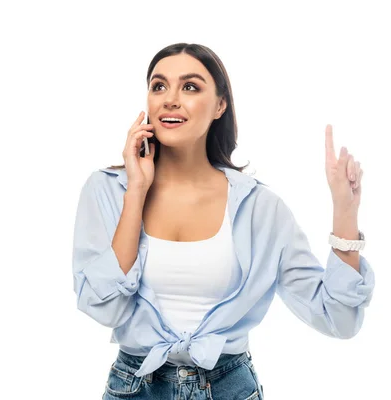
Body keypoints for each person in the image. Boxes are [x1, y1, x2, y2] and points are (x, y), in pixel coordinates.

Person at [71, 43, 375, 400]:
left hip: (229, 389)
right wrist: (137, 190)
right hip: (134, 387)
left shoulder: (259, 207)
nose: (170, 99)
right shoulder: (107, 191)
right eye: (158, 86)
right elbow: (102, 307)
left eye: (190, 87)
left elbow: (338, 318)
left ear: (220, 105)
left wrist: (345, 212)